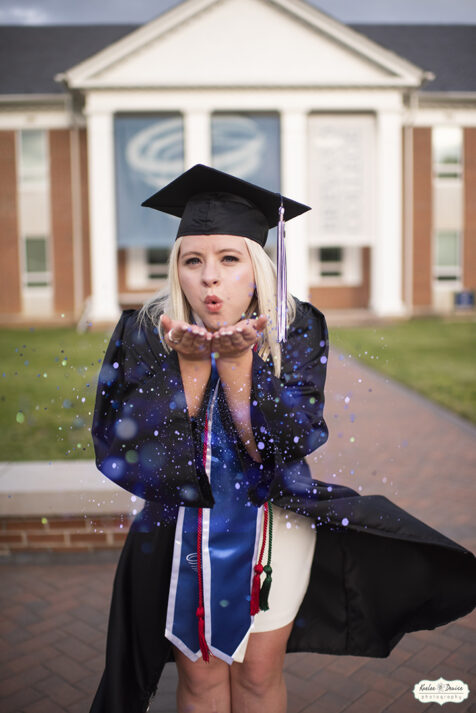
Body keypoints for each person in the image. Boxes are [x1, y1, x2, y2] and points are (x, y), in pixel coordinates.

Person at [89, 165, 476, 713]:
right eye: (192, 260)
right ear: (176, 268)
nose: (209, 278)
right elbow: (131, 448)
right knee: (199, 679)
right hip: (180, 528)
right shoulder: (145, 331)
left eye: (229, 259)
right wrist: (192, 371)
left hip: (276, 523)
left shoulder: (294, 326)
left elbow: (286, 443)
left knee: (257, 674)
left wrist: (236, 366)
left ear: (258, 264)